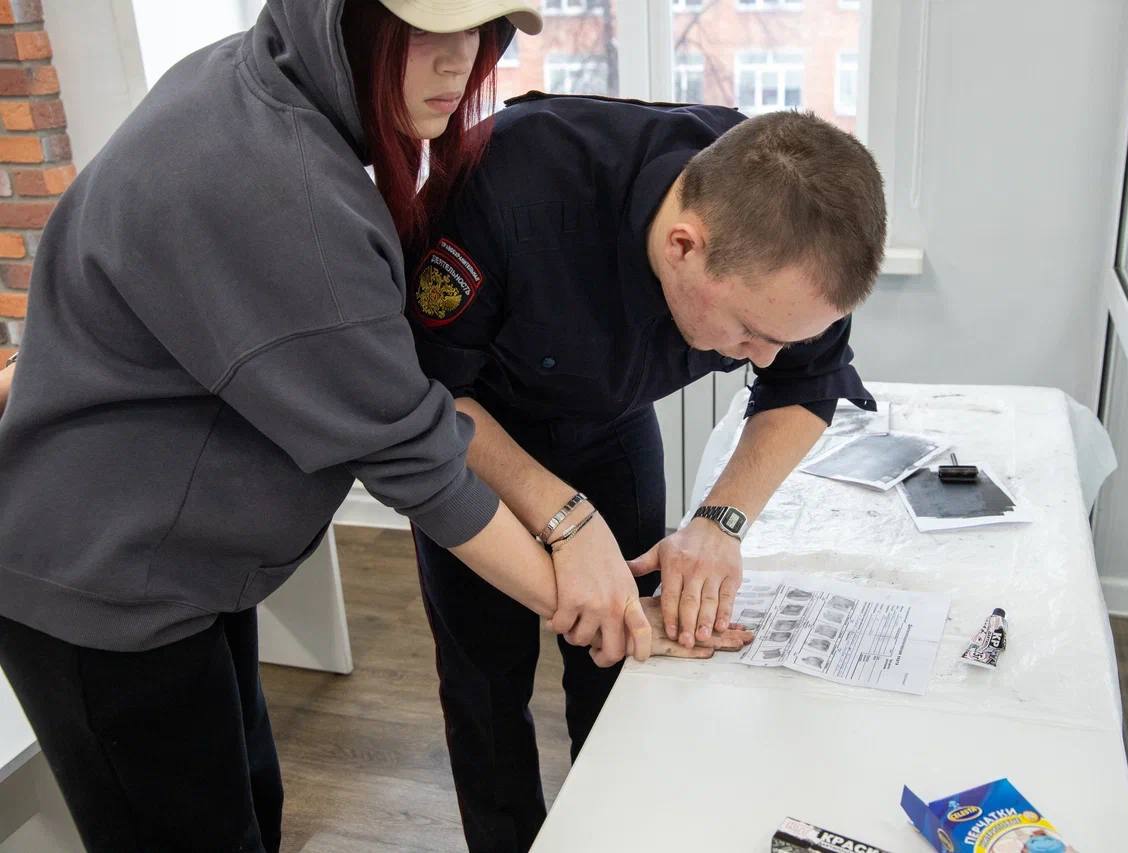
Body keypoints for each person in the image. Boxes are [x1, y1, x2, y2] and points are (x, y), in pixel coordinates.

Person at [0, 4, 748, 850]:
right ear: (346, 19)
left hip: (176, 559)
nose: (459, 63)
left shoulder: (264, 81)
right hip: (100, 578)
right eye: (426, 31)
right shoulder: (281, 186)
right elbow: (414, 455)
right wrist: (595, 592)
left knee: (250, 805)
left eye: (480, 31)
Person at [408, 93, 886, 852]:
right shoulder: (505, 184)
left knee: (627, 657)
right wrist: (563, 518)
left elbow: (807, 385)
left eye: (782, 340)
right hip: (474, 446)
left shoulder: (800, 225)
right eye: (751, 334)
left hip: (612, 428)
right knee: (484, 682)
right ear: (683, 246)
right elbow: (426, 400)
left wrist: (720, 523)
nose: (765, 357)